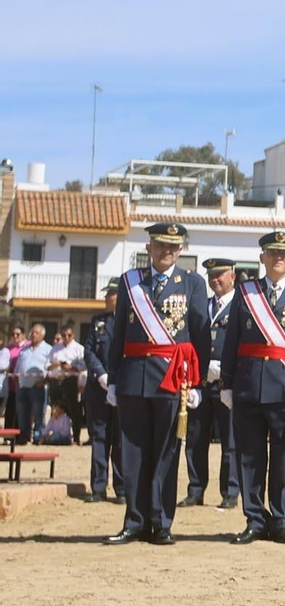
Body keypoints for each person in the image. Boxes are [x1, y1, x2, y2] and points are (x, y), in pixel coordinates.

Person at [105, 223, 211, 545]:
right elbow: (119, 332)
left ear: (181, 251)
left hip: (171, 378)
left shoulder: (193, 283)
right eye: (161, 245)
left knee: (166, 453)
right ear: (149, 247)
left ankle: (161, 522)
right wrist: (113, 379)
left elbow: (200, 336)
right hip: (134, 377)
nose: (168, 252)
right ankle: (135, 522)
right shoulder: (130, 282)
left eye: (174, 247)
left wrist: (197, 382)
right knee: (133, 454)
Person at [222, 233, 285, 544]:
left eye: (284, 253)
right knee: (249, 457)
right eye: (272, 252)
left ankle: (280, 519)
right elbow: (232, 340)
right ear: (262, 258)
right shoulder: (245, 292)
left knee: (284, 457)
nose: (278, 258)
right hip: (249, 385)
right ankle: (254, 518)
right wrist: (227, 383)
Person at [181, 257, 239, 509]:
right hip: (202, 382)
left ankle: (230, 491)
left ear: (232, 276)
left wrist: (226, 369)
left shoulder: (241, 305)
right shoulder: (201, 306)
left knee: (230, 441)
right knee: (195, 438)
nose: (215, 279)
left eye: (220, 274)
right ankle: (195, 489)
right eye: (211, 275)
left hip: (228, 383)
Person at [83, 281, 124, 503]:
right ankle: (98, 488)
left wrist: (117, 380)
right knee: (99, 438)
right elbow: (88, 351)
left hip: (122, 389)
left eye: (111, 293)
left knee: (120, 441)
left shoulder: (132, 321)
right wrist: (100, 374)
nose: (107, 297)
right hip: (99, 389)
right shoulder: (98, 321)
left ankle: (122, 488)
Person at [46, 322, 86, 442]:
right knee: (56, 409)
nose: (66, 338)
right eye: (64, 335)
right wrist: (56, 364)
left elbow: (84, 366)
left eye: (69, 335)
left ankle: (76, 437)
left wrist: (71, 368)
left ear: (73, 335)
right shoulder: (55, 348)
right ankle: (57, 435)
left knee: (73, 409)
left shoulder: (79, 348)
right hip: (56, 380)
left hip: (70, 380)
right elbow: (47, 365)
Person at [15, 324, 51, 445]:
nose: (33, 335)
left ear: (42, 335)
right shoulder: (24, 350)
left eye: (36, 333)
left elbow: (51, 370)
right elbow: (18, 367)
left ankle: (38, 437)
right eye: (32, 332)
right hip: (22, 386)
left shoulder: (48, 349)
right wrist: (17, 381)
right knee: (22, 413)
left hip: (37, 387)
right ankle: (24, 437)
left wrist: (44, 382)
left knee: (38, 413)